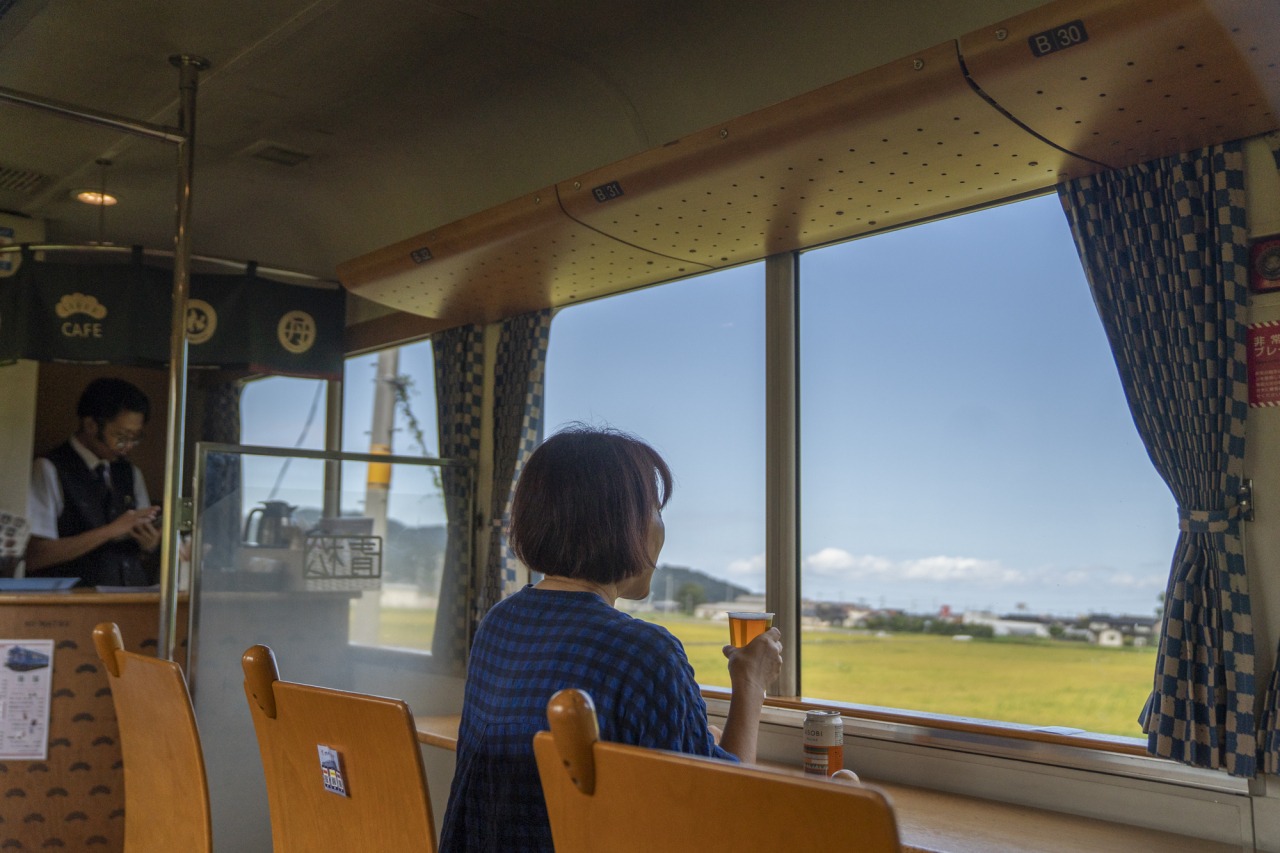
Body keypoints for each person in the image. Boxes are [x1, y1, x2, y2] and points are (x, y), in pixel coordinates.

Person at [439, 425, 783, 852]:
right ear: (623, 524)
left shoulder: (498, 624)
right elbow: (721, 813)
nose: (661, 530)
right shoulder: (645, 653)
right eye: (656, 511)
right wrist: (750, 684)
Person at [24, 378, 161, 586]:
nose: (128, 447)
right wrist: (109, 531)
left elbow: (138, 543)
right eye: (122, 436)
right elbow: (35, 555)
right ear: (90, 425)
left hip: (130, 597)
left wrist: (151, 544)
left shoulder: (131, 473)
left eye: (136, 438)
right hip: (75, 602)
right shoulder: (49, 468)